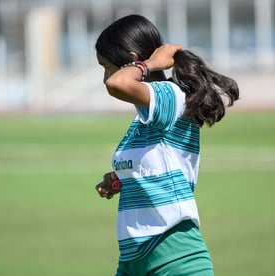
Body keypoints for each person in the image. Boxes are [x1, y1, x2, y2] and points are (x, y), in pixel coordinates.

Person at [94, 14, 239, 275]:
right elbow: (154, 163)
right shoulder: (144, 115)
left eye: (106, 65)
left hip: (175, 259)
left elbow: (117, 84)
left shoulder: (170, 96)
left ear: (132, 59)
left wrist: (150, 64)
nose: (105, 76)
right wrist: (119, 179)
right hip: (133, 260)